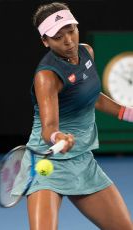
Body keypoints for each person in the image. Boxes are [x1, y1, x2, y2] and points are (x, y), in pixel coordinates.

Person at [12, 2, 133, 230]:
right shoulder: (47, 76)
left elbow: (92, 96)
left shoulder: (86, 51)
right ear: (45, 41)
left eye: (71, 31)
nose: (69, 41)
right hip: (47, 162)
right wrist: (58, 137)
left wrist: (128, 113)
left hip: (82, 160)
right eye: (58, 37)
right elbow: (48, 127)